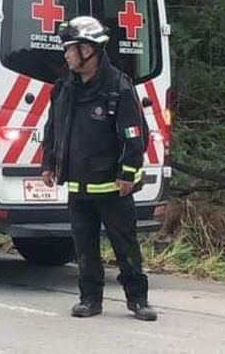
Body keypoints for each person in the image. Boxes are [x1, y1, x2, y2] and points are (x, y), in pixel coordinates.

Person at [41, 16, 156, 322]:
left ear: (89, 51)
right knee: (84, 246)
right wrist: (48, 163)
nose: (65, 55)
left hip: (112, 188)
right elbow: (53, 127)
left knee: (125, 245)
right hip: (78, 186)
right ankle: (90, 299)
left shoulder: (118, 87)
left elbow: (135, 136)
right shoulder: (64, 86)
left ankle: (138, 299)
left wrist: (128, 175)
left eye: (70, 48)